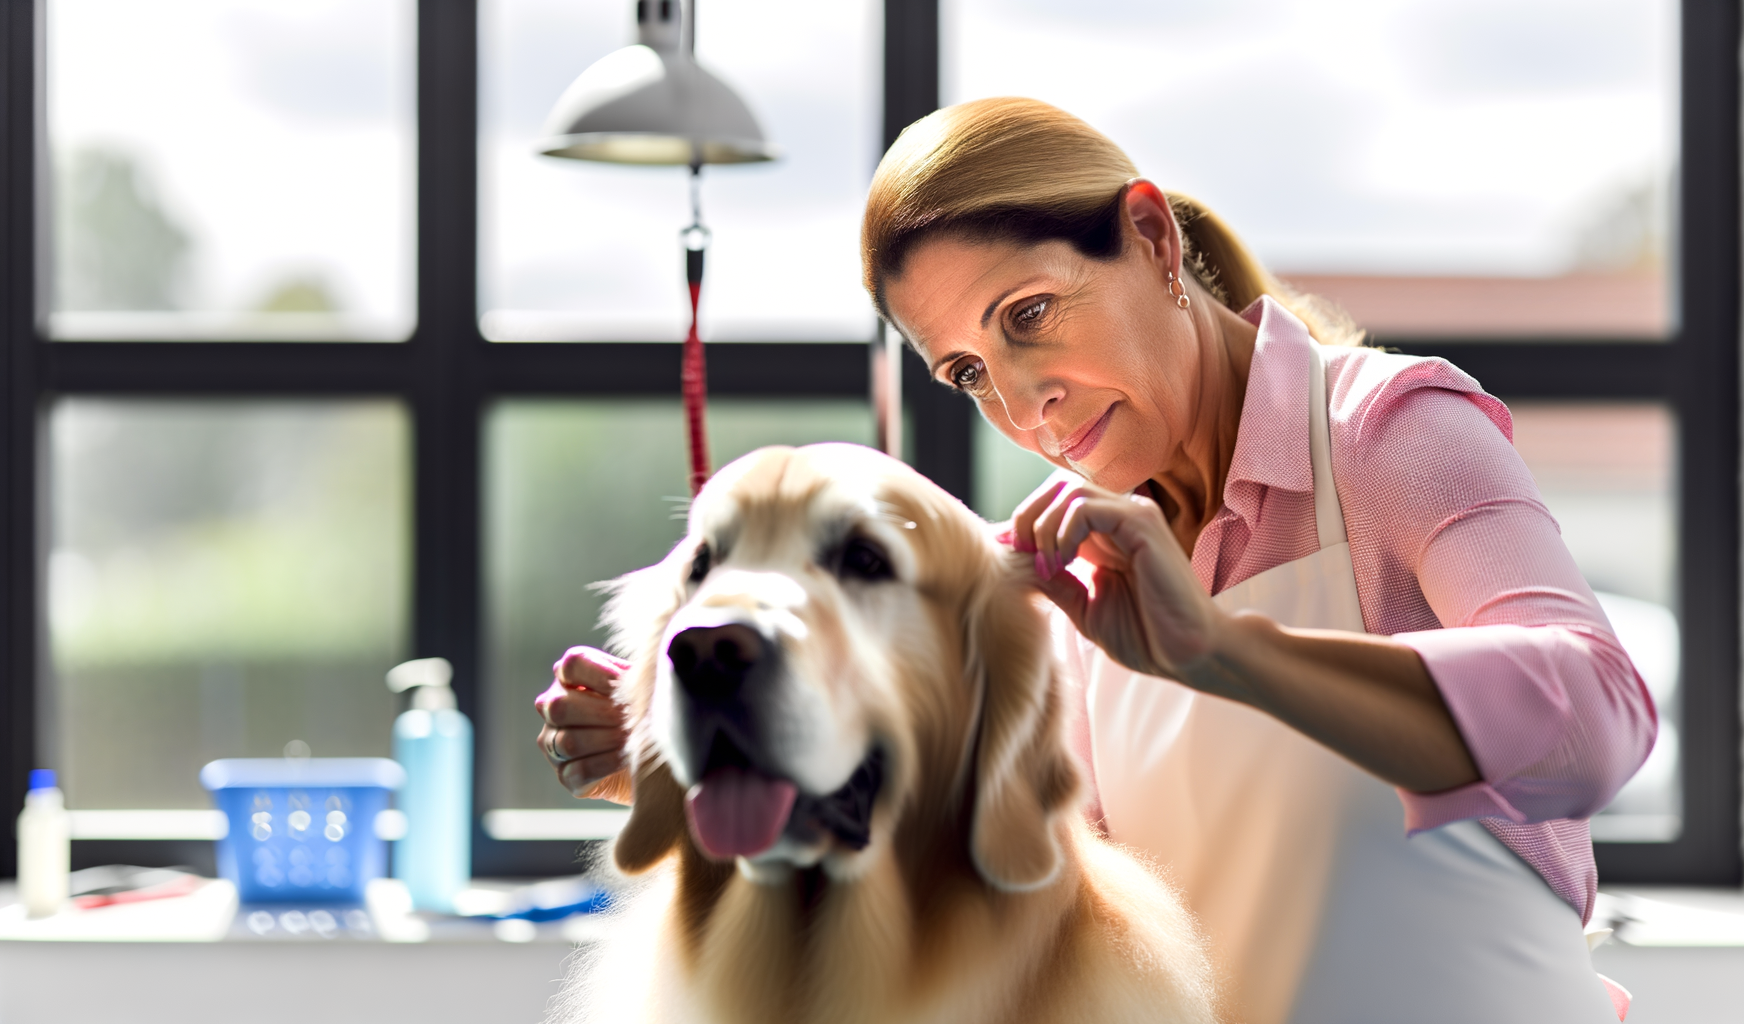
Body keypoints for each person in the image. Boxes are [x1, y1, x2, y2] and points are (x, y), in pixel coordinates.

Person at [535, 98, 1653, 1023]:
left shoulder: (1384, 434)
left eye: (1029, 316)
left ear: (1154, 242)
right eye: (968, 373)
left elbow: (1597, 720)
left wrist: (1219, 649)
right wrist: (719, 751)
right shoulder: (1058, 564)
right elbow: (1027, 870)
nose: (1022, 403)